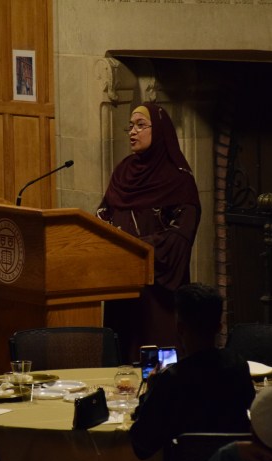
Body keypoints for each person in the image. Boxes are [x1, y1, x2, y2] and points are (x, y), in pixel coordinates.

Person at [97, 103, 201, 363]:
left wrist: (135, 248)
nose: (133, 131)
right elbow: (103, 213)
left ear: (160, 130)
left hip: (158, 291)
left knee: (159, 366)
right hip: (123, 285)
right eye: (131, 126)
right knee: (121, 364)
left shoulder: (179, 180)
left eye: (141, 125)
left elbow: (179, 236)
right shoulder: (123, 171)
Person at [129, 283, 255, 461]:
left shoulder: (172, 379)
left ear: (180, 328)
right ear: (219, 327)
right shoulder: (238, 366)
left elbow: (141, 446)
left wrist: (149, 393)